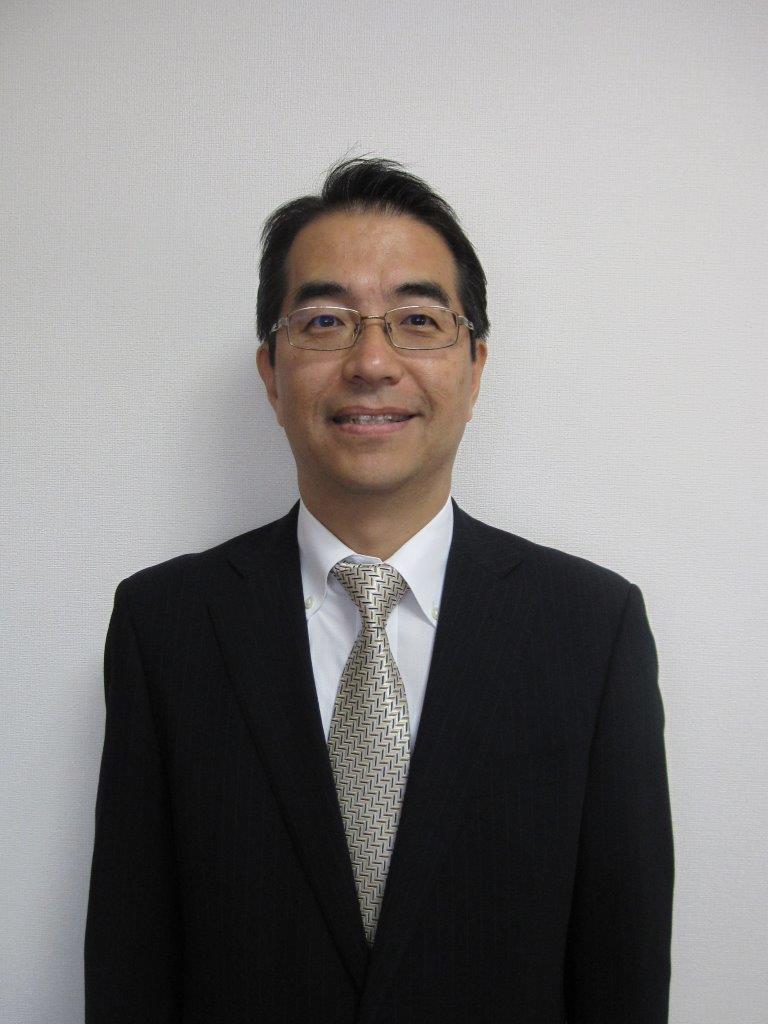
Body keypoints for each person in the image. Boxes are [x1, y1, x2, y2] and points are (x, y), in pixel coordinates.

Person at [84, 157, 674, 1023]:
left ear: (474, 369)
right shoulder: (164, 626)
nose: (371, 361)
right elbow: (131, 964)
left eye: (417, 321)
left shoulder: (592, 628)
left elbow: (622, 970)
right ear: (271, 372)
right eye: (325, 321)